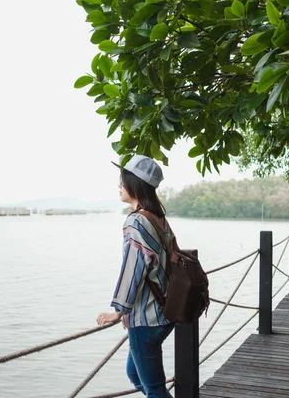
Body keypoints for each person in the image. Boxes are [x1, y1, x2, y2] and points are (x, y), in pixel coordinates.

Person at [96, 154, 174, 398]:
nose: (119, 185)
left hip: (146, 318)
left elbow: (133, 268)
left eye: (122, 180)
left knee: (154, 389)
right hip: (165, 312)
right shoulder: (158, 218)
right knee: (135, 375)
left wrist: (118, 310)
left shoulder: (136, 222)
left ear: (135, 185)